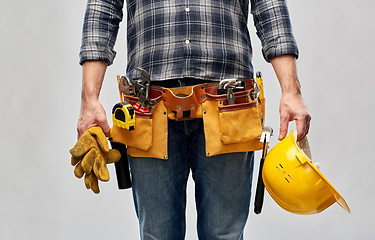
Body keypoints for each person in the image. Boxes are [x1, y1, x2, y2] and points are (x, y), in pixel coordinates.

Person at [76, 0, 311, 239]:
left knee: (225, 236)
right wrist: (89, 98)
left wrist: (291, 90)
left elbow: (269, 5)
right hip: (149, 110)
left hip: (228, 108)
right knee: (157, 235)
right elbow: (102, 7)